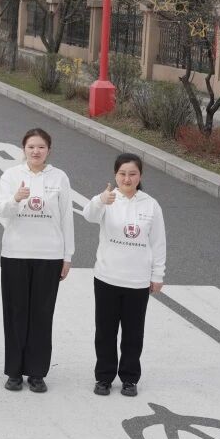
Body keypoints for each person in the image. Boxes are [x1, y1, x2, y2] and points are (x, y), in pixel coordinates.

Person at [0, 128, 75, 394]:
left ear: (48, 150)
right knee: (15, 313)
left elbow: (66, 217)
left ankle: (37, 373)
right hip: (16, 253)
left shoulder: (59, 177)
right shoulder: (11, 175)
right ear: (24, 149)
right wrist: (15, 199)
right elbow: (0, 210)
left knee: (42, 314)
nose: (36, 151)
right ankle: (14, 372)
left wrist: (67, 256)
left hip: (49, 255)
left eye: (41, 147)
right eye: (31, 147)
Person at [83, 153, 167, 397]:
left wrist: (157, 274)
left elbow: (158, 242)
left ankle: (130, 378)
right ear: (115, 175)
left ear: (140, 176)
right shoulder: (108, 199)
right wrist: (101, 200)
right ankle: (104, 377)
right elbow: (88, 215)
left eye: (132, 174)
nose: (127, 179)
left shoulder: (151, 205)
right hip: (107, 277)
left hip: (137, 280)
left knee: (133, 333)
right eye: (122, 174)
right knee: (105, 332)